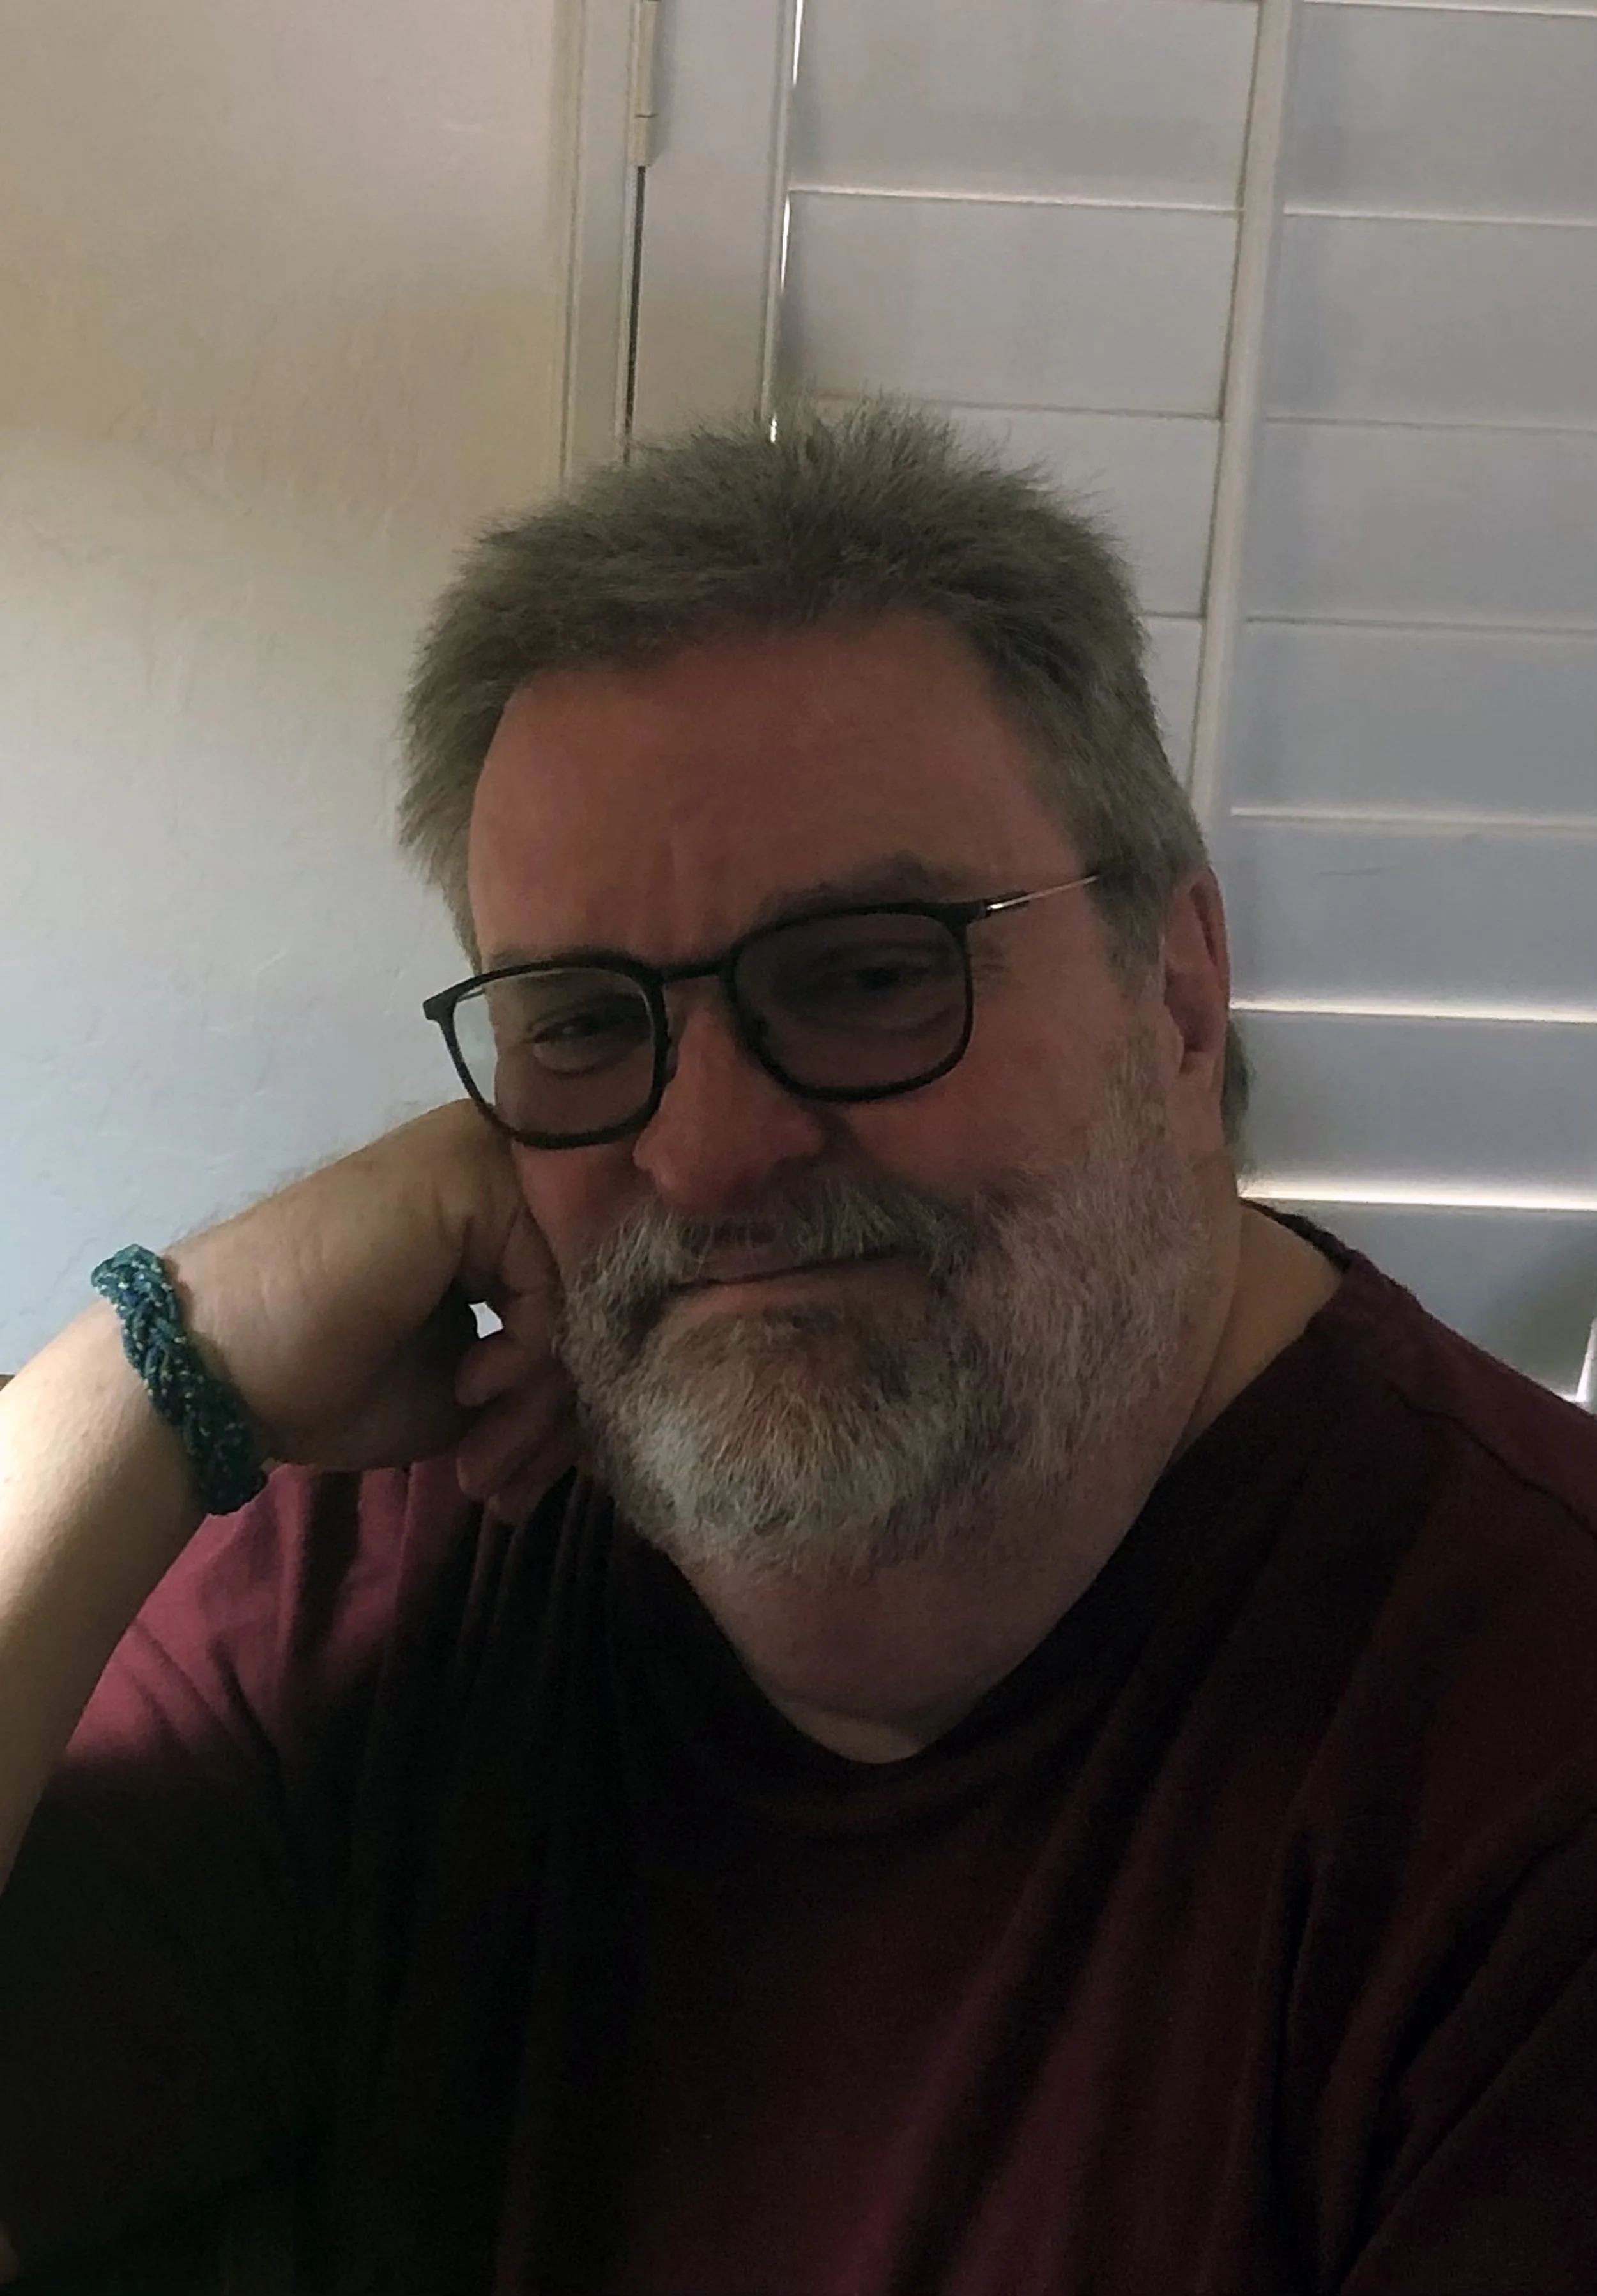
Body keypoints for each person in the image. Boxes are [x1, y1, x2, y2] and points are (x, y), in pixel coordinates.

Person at [1, 403, 1594, 2296]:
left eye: (867, 974)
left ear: (1173, 993)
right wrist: (158, 1364)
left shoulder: (1520, 1751)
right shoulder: (396, 1551)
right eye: (582, 1022)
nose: (706, 1150)